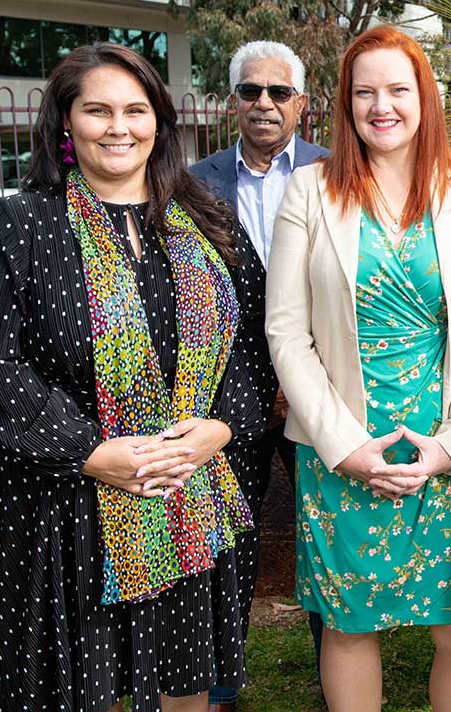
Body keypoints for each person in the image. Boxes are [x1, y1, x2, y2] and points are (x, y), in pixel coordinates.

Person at [0, 42, 272, 712]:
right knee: (79, 686)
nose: (119, 126)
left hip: (182, 492)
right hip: (65, 501)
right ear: (65, 122)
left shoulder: (210, 224)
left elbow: (248, 346)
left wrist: (217, 428)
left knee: (185, 680)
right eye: (98, 110)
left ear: (160, 120)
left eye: (135, 108)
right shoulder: (20, 227)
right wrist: (91, 453)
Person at [265, 25, 451, 712]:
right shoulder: (311, 192)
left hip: (445, 446)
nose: (382, 105)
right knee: (348, 627)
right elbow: (287, 328)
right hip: (342, 440)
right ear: (344, 104)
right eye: (364, 91)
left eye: (398, 89)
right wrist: (344, 446)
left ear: (425, 98)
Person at [191, 39, 328, 711]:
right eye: (251, 91)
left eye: (279, 92)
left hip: (322, 387)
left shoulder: (337, 173)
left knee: (328, 531)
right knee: (226, 541)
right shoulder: (195, 180)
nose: (265, 104)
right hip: (227, 395)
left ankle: (340, 674)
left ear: (301, 102)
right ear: (233, 101)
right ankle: (219, 681)